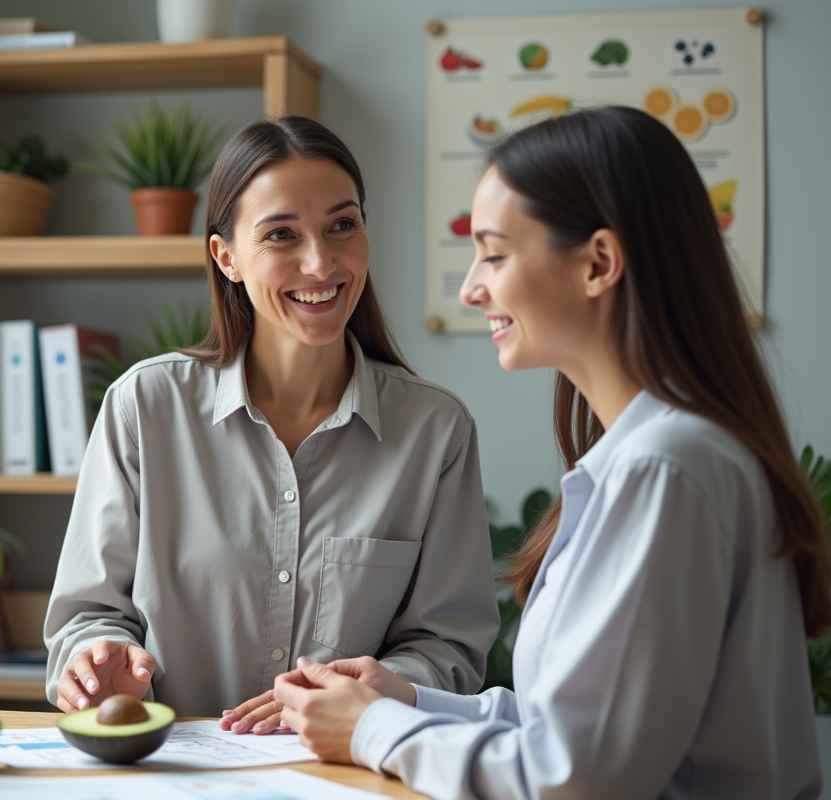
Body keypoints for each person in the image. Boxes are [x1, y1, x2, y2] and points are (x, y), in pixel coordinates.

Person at [272, 106, 831, 798]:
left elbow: (576, 775)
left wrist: (372, 731)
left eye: (495, 253)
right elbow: (577, 727)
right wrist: (409, 702)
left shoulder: (663, 470)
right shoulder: (661, 454)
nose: (471, 287)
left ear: (599, 262)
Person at [44, 116, 499, 723]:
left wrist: (378, 689)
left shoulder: (436, 430)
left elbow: (450, 650)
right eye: (281, 235)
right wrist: (99, 665)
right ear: (225, 257)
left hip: (346, 779)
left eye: (343, 225)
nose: (320, 262)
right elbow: (86, 618)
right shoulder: (144, 408)